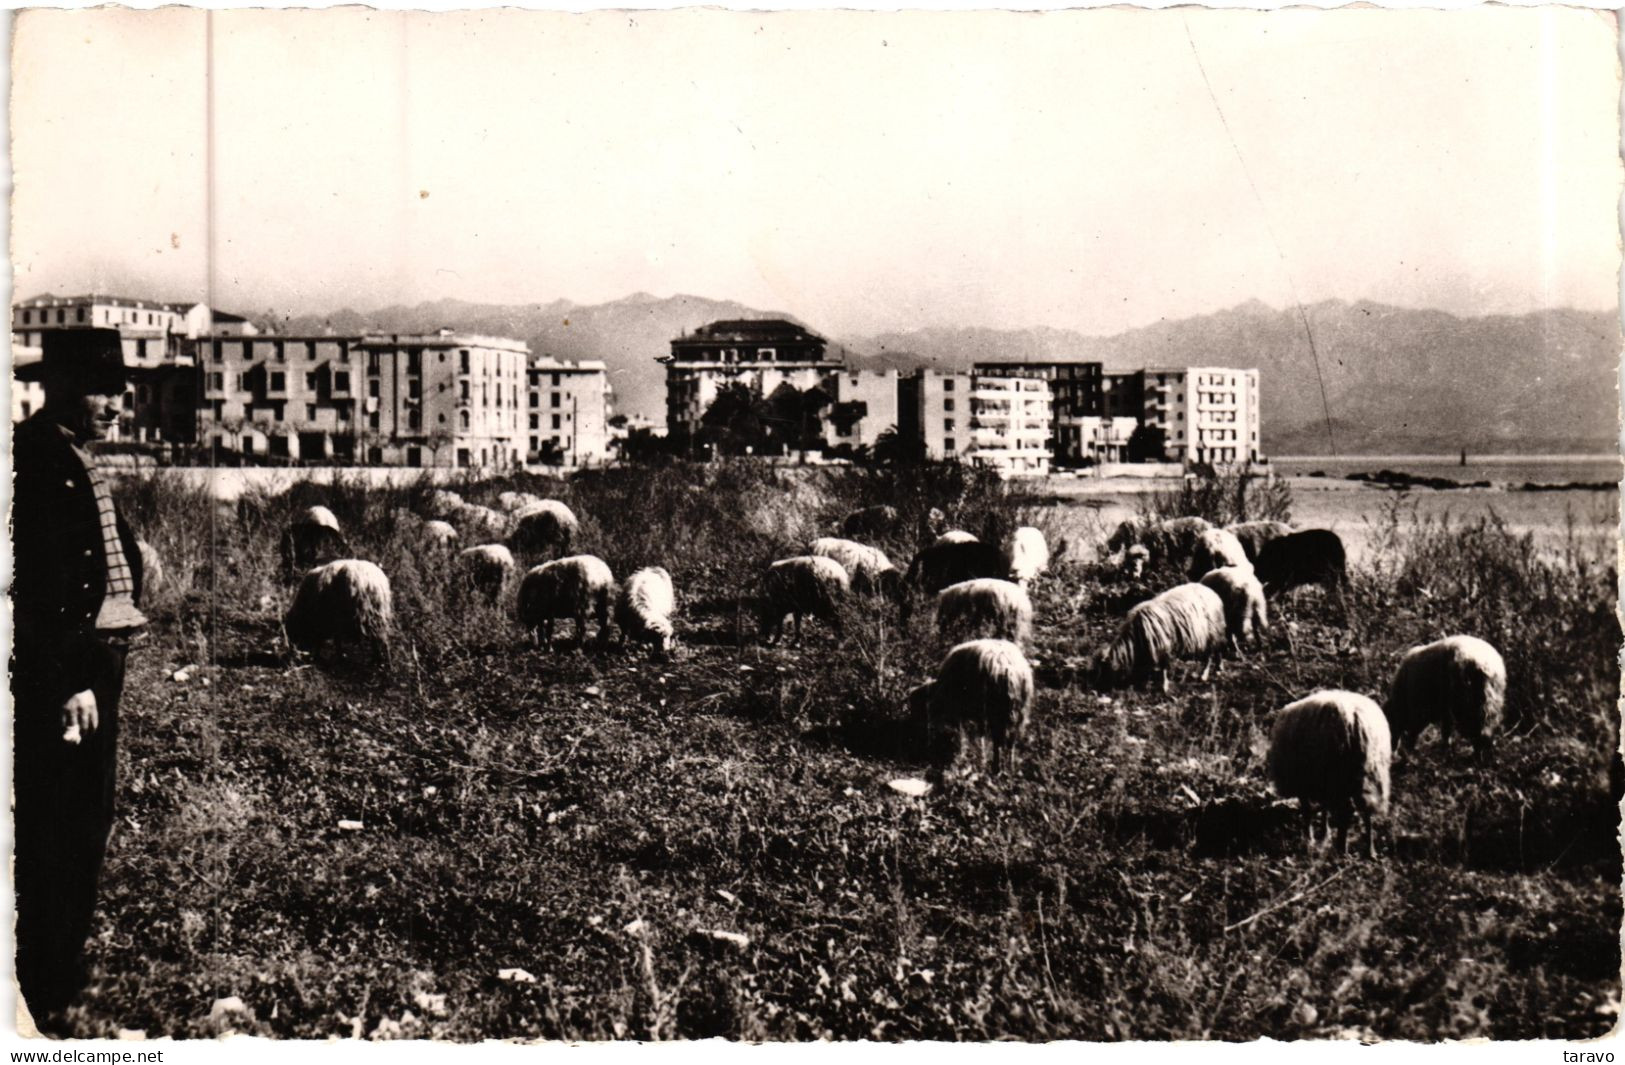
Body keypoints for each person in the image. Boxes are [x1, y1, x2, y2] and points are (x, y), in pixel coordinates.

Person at [12, 328, 146, 1030]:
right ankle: (46, 979)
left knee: (86, 813)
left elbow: (101, 552)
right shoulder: (35, 461)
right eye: (101, 387)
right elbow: (38, 586)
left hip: (99, 661)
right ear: (62, 385)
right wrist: (69, 679)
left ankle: (60, 960)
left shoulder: (70, 455)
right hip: (75, 669)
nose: (116, 403)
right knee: (61, 815)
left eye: (119, 389)